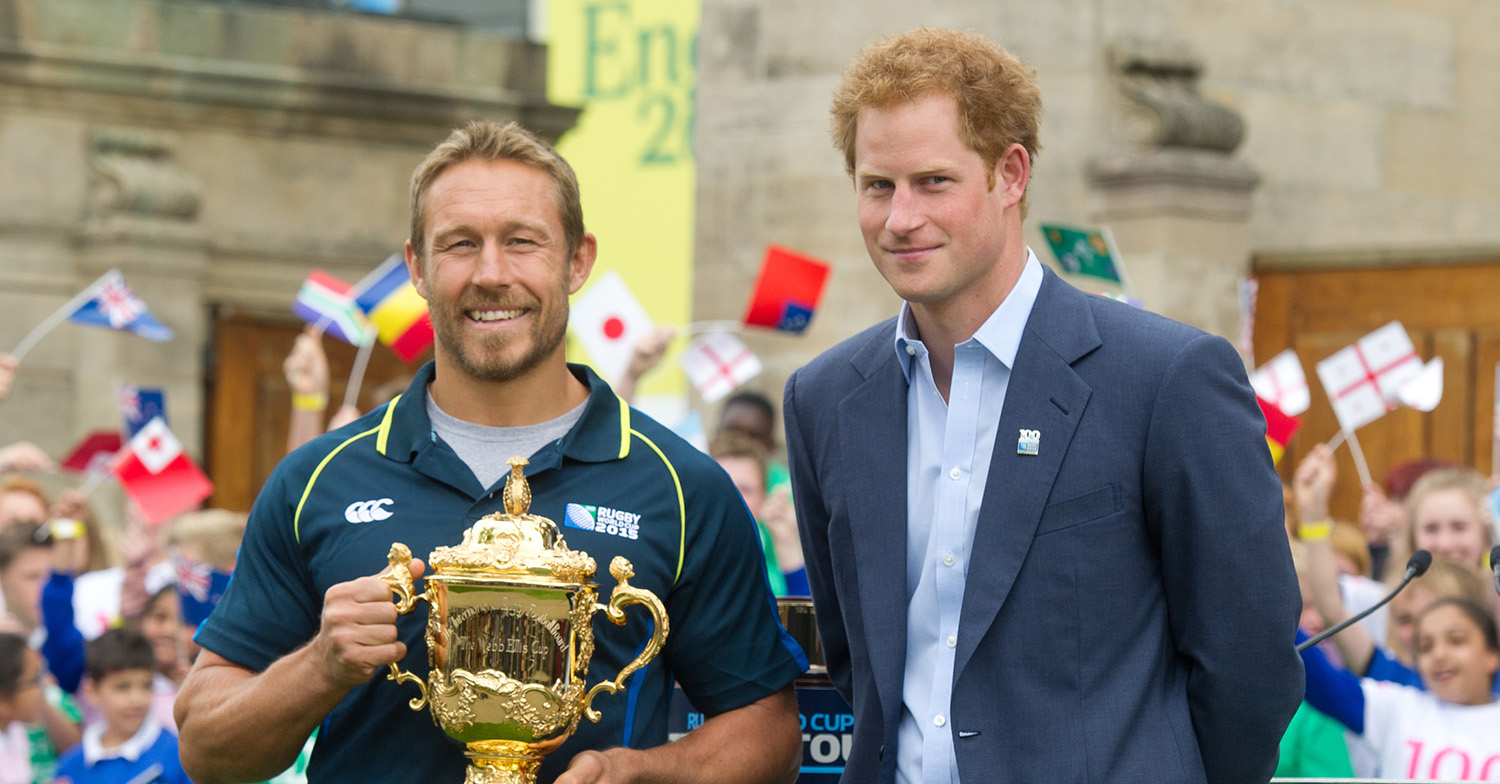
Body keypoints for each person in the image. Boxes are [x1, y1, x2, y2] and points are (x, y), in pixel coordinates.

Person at [175, 120, 805, 784]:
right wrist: (319, 667)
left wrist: (641, 773)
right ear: (417, 266)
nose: (491, 273)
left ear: (579, 260)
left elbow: (769, 730)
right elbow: (205, 752)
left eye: (523, 242)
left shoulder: (681, 486)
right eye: (460, 244)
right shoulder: (317, 480)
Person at [783, 27, 1303, 784]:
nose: (899, 218)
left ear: (1011, 175)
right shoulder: (824, 398)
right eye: (877, 186)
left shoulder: (1167, 378)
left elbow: (1249, 666)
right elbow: (859, 660)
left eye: (933, 182)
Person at [1299, 598, 1500, 780]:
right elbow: (1317, 677)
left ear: (1492, 655)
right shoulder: (1397, 708)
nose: (1439, 654)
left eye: (1456, 640)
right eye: (1426, 646)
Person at [52, 628, 191, 784]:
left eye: (146, 685)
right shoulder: (70, 767)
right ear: (92, 691)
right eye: (123, 687)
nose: (136, 699)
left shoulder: (178, 755)